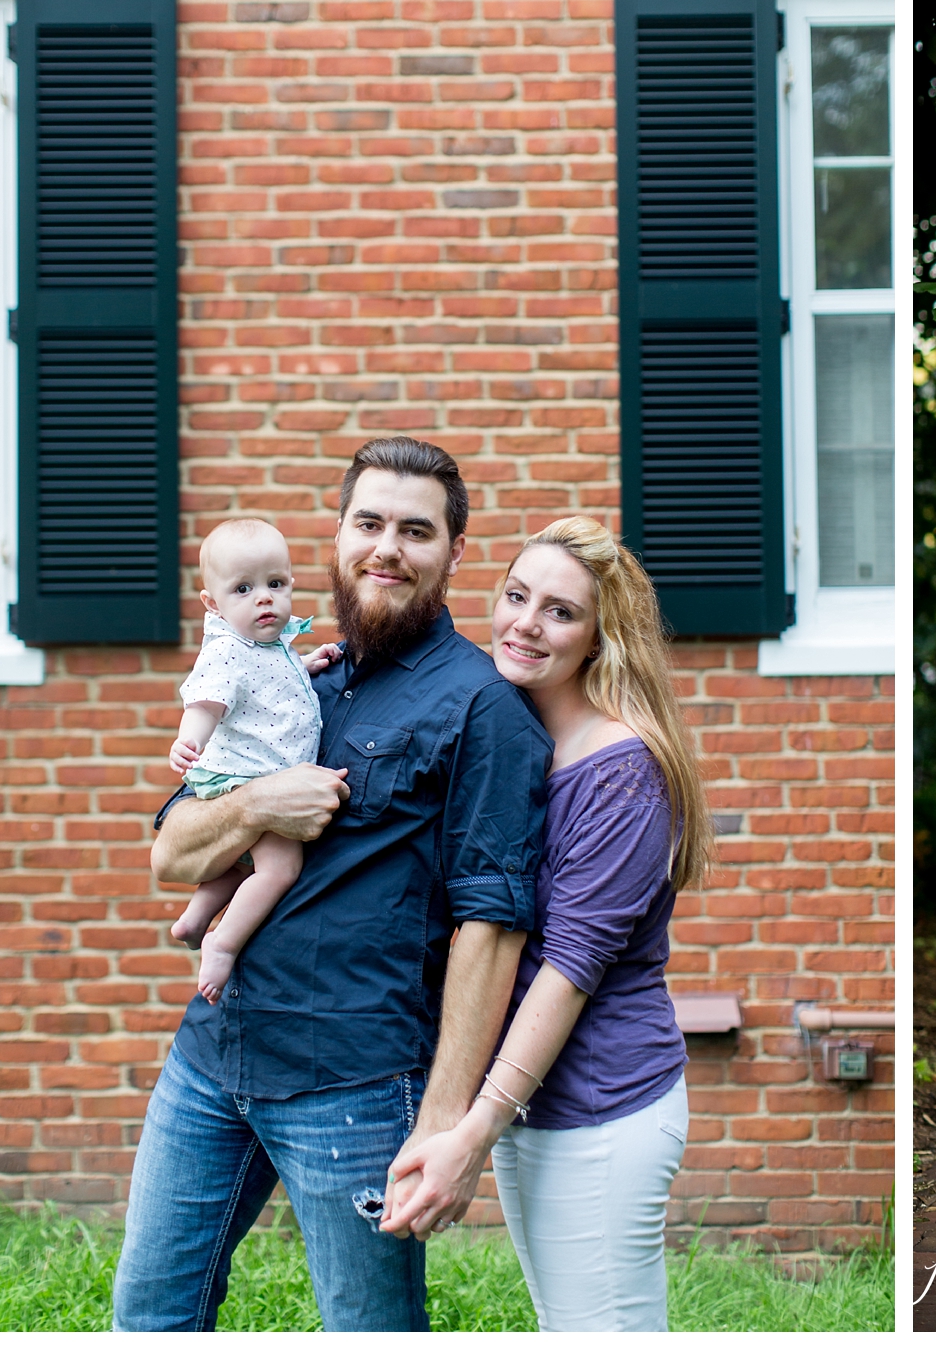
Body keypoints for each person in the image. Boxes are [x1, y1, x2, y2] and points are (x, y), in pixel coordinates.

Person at [111, 438, 556, 1332]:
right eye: (369, 522)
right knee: (148, 1317)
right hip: (212, 1057)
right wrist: (261, 801)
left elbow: (492, 929)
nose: (387, 546)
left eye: (416, 530)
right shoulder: (289, 674)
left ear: (455, 553)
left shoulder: (484, 709)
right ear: (341, 534)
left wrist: (442, 1127)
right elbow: (173, 856)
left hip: (352, 1082)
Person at [377, 517, 715, 1332]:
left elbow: (568, 970)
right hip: (533, 1102)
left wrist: (473, 1129)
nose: (525, 622)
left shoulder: (621, 770)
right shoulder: (521, 738)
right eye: (516, 595)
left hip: (601, 1106)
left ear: (603, 639)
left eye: (560, 612)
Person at [166, 518, 342, 1003]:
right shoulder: (226, 651)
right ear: (213, 604)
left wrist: (305, 667)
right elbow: (206, 704)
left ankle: (195, 917)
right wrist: (189, 741)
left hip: (256, 773)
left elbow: (269, 685)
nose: (264, 598)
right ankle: (222, 944)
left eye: (275, 584)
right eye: (243, 588)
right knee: (279, 869)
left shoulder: (267, 645)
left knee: (242, 863)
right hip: (245, 776)